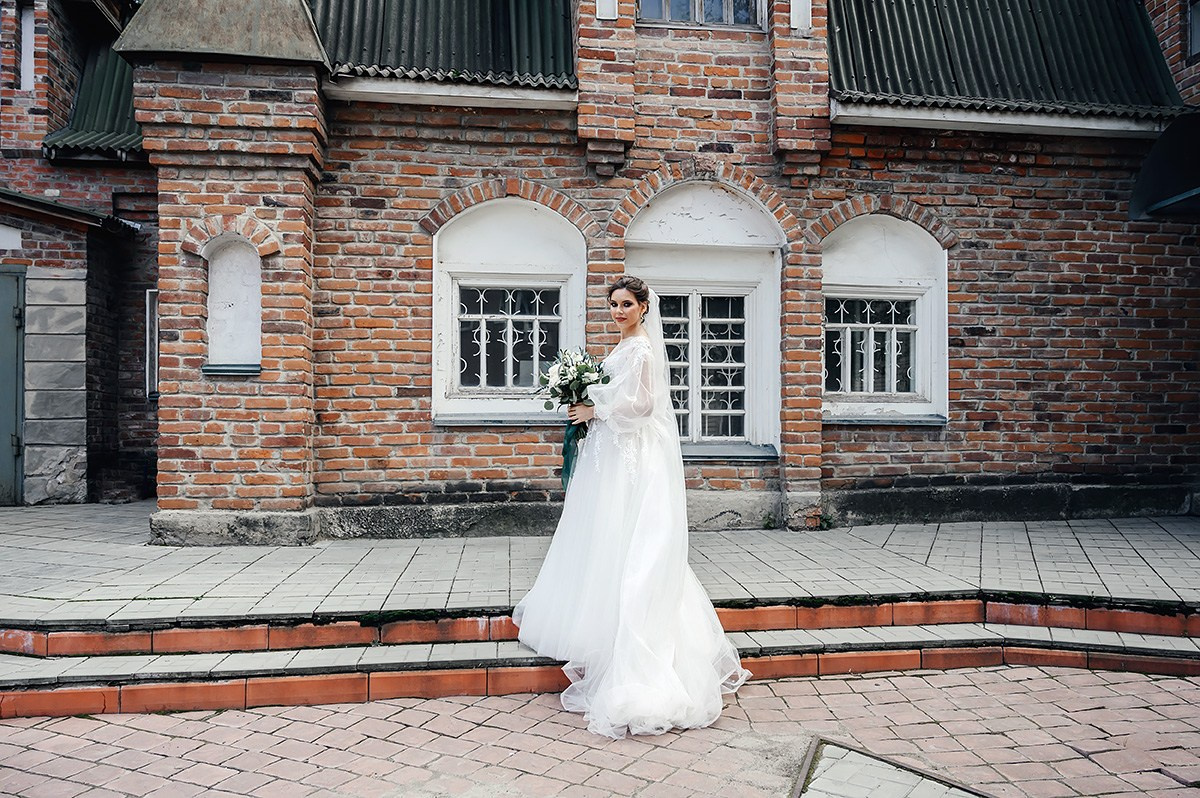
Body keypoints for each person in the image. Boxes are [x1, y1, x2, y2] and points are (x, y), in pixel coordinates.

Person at [512, 275, 751, 739]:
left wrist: (593, 411)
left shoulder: (641, 348)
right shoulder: (624, 346)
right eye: (614, 304)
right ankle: (605, 633)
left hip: (631, 461)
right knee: (609, 541)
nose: (619, 311)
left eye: (626, 304)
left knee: (633, 544)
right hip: (612, 458)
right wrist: (582, 397)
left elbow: (643, 406)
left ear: (644, 306)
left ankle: (641, 657)